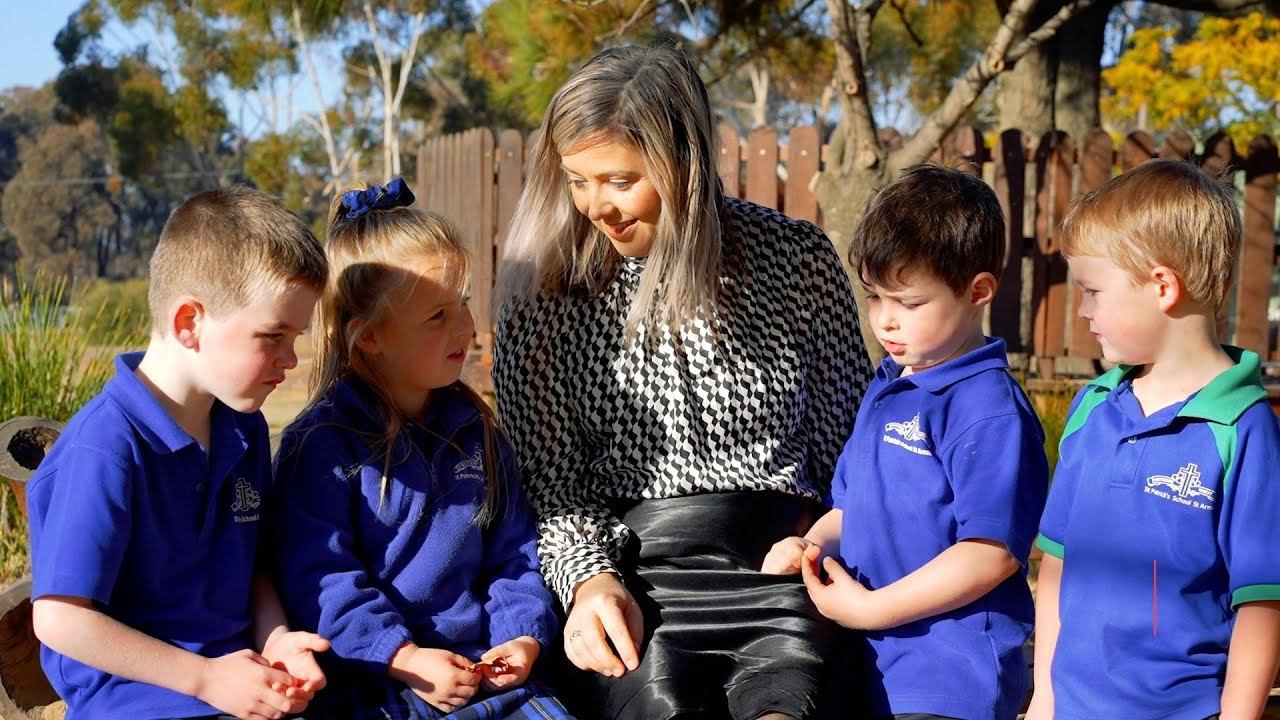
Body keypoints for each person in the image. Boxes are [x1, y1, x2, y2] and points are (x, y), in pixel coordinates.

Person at [492, 44, 872, 720]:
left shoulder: (798, 260)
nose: (595, 208)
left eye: (619, 179)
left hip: (782, 569)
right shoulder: (548, 297)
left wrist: (827, 544)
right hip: (638, 579)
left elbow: (850, 452)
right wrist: (590, 582)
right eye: (577, 181)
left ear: (685, 160)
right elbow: (553, 491)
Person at [270, 179, 573, 720]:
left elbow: (515, 554)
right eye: (437, 316)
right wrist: (402, 656)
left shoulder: (478, 433)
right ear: (369, 338)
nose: (465, 326)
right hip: (375, 686)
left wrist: (521, 637)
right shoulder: (320, 449)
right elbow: (320, 578)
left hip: (487, 674)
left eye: (462, 303)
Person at [26, 186, 330, 720]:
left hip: (238, 687)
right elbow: (59, 619)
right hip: (137, 704)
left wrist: (277, 638)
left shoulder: (244, 428)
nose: (290, 358)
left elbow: (253, 567)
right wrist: (206, 678)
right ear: (189, 323)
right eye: (273, 334)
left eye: (296, 336)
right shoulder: (106, 447)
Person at [766, 164, 1049, 720]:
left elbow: (989, 556)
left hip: (950, 676)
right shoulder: (889, 385)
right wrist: (811, 546)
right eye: (875, 298)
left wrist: (871, 610)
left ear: (978, 292)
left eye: (910, 304)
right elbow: (853, 510)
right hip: (870, 665)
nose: (885, 321)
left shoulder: (988, 410)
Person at [1027, 159, 1280, 720]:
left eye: (1093, 290)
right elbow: (1057, 561)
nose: (1084, 310)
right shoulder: (1092, 407)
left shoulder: (1242, 428)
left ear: (1163, 286)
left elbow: (1261, 599)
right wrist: (1044, 697)